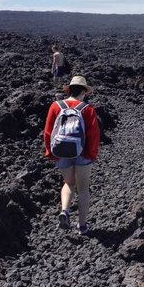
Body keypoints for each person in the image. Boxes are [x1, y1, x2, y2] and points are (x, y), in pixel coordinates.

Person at [43, 75, 100, 235]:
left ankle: (65, 210)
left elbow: (48, 132)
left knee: (68, 183)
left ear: (69, 90)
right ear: (83, 91)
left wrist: (51, 152)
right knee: (83, 188)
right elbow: (94, 135)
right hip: (82, 153)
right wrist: (91, 155)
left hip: (61, 151)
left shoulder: (56, 106)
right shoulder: (87, 109)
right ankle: (82, 226)